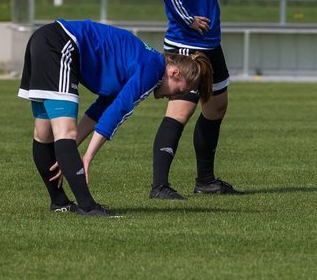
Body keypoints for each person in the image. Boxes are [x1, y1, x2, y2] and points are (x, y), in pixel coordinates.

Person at [18, 19, 212, 217]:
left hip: (44, 39)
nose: (173, 97)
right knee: (65, 131)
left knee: (44, 133)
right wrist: (87, 157)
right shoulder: (153, 68)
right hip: (61, 43)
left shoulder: (137, 63)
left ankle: (60, 203)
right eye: (180, 90)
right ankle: (88, 206)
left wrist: (68, 153)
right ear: (174, 72)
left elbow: (100, 110)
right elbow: (118, 111)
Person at [150, 0, 243, 201]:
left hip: (209, 43)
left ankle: (206, 180)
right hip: (186, 43)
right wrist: (187, 17)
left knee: (217, 106)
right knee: (180, 112)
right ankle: (159, 186)